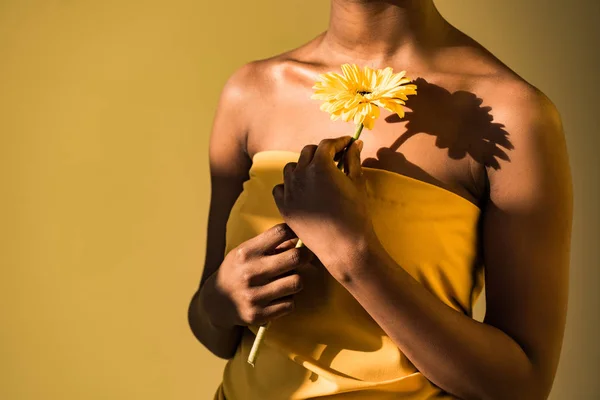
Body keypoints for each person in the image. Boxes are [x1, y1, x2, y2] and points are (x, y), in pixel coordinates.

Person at [187, 0, 573, 399]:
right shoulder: (250, 94)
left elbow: (522, 388)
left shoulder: (510, 119)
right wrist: (219, 302)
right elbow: (213, 332)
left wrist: (355, 257)